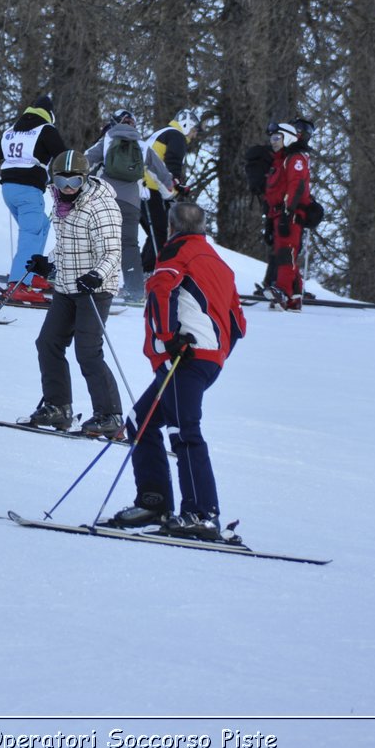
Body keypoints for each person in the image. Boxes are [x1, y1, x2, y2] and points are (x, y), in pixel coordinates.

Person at [105, 201, 247, 539]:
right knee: (141, 420)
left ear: (170, 227)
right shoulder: (220, 263)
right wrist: (217, 353)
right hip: (202, 360)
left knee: (185, 430)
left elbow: (159, 292)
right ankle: (154, 501)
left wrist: (169, 340)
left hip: (184, 357)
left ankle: (201, 513)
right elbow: (238, 323)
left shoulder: (176, 253)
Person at [21, 150, 124, 437]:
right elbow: (68, 245)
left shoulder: (99, 206)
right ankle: (58, 407)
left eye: (75, 181)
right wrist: (48, 262)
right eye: (61, 180)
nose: (68, 187)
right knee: (48, 343)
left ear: (85, 179)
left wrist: (96, 275)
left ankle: (110, 415)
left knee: (88, 352)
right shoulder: (60, 203)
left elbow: (113, 252)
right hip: (67, 286)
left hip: (95, 289)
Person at [84, 109, 176, 307]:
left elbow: (86, 160)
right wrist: (169, 192)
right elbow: (161, 172)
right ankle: (134, 291)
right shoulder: (142, 145)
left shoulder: (107, 140)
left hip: (104, 198)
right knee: (129, 245)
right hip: (131, 202)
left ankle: (91, 284)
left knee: (96, 239)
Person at [0, 96, 66, 303]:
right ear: (50, 114)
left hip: (9, 189)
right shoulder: (46, 129)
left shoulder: (12, 131)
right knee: (31, 234)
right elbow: (63, 155)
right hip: (28, 189)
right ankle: (18, 284)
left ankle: (32, 275)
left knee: (41, 226)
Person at [262, 120, 313, 311]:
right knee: (284, 252)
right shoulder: (280, 160)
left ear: (288, 137)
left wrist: (287, 211)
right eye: (272, 138)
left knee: (286, 252)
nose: (273, 142)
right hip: (277, 214)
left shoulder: (295, 158)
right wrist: (270, 219)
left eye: (277, 138)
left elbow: (297, 185)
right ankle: (294, 296)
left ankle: (283, 291)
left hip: (290, 213)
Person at [140, 109, 200, 269]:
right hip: (151, 188)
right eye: (194, 130)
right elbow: (173, 162)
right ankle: (150, 273)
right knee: (161, 233)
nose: (194, 136)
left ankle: (141, 271)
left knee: (155, 232)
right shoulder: (176, 135)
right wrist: (176, 184)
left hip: (140, 187)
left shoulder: (163, 132)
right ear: (186, 125)